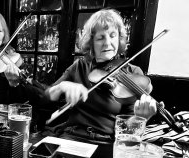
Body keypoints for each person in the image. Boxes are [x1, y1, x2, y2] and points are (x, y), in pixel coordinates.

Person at [45, 9, 157, 143]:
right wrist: (61, 87)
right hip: (71, 136)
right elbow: (45, 97)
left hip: (106, 143)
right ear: (91, 42)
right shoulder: (80, 66)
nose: (108, 43)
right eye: (100, 38)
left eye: (113, 35)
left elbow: (127, 136)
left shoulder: (133, 73)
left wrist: (140, 119)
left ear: (119, 39)